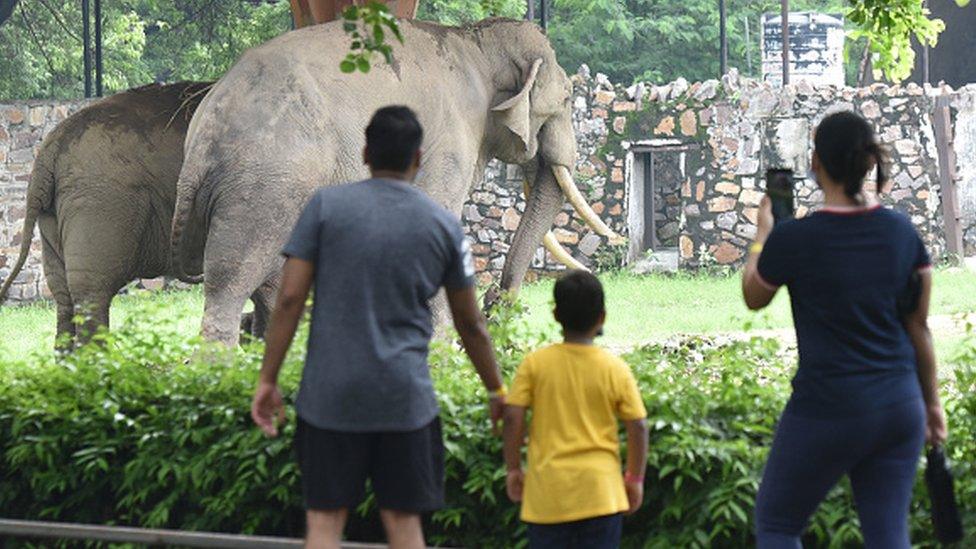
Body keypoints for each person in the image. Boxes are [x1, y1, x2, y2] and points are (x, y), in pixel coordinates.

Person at [251, 106, 506, 549]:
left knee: (325, 524)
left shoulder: (325, 207)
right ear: (419, 158)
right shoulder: (443, 224)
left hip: (328, 399)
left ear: (365, 152)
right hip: (405, 400)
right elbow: (471, 323)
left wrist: (268, 379)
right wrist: (496, 391)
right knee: (405, 526)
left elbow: (289, 298)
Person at [742, 110, 948, 548]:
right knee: (888, 533)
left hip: (827, 406)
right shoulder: (901, 232)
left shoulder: (794, 238)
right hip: (899, 404)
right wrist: (932, 405)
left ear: (816, 164)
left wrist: (764, 236)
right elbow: (919, 327)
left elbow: (754, 297)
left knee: (778, 524)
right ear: (867, 162)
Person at [503, 270, 649, 549]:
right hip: (601, 494)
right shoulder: (614, 368)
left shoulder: (535, 364)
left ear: (556, 314)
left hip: (547, 496)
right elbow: (638, 426)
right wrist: (634, 478)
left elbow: (512, 417)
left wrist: (513, 469)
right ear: (602, 316)